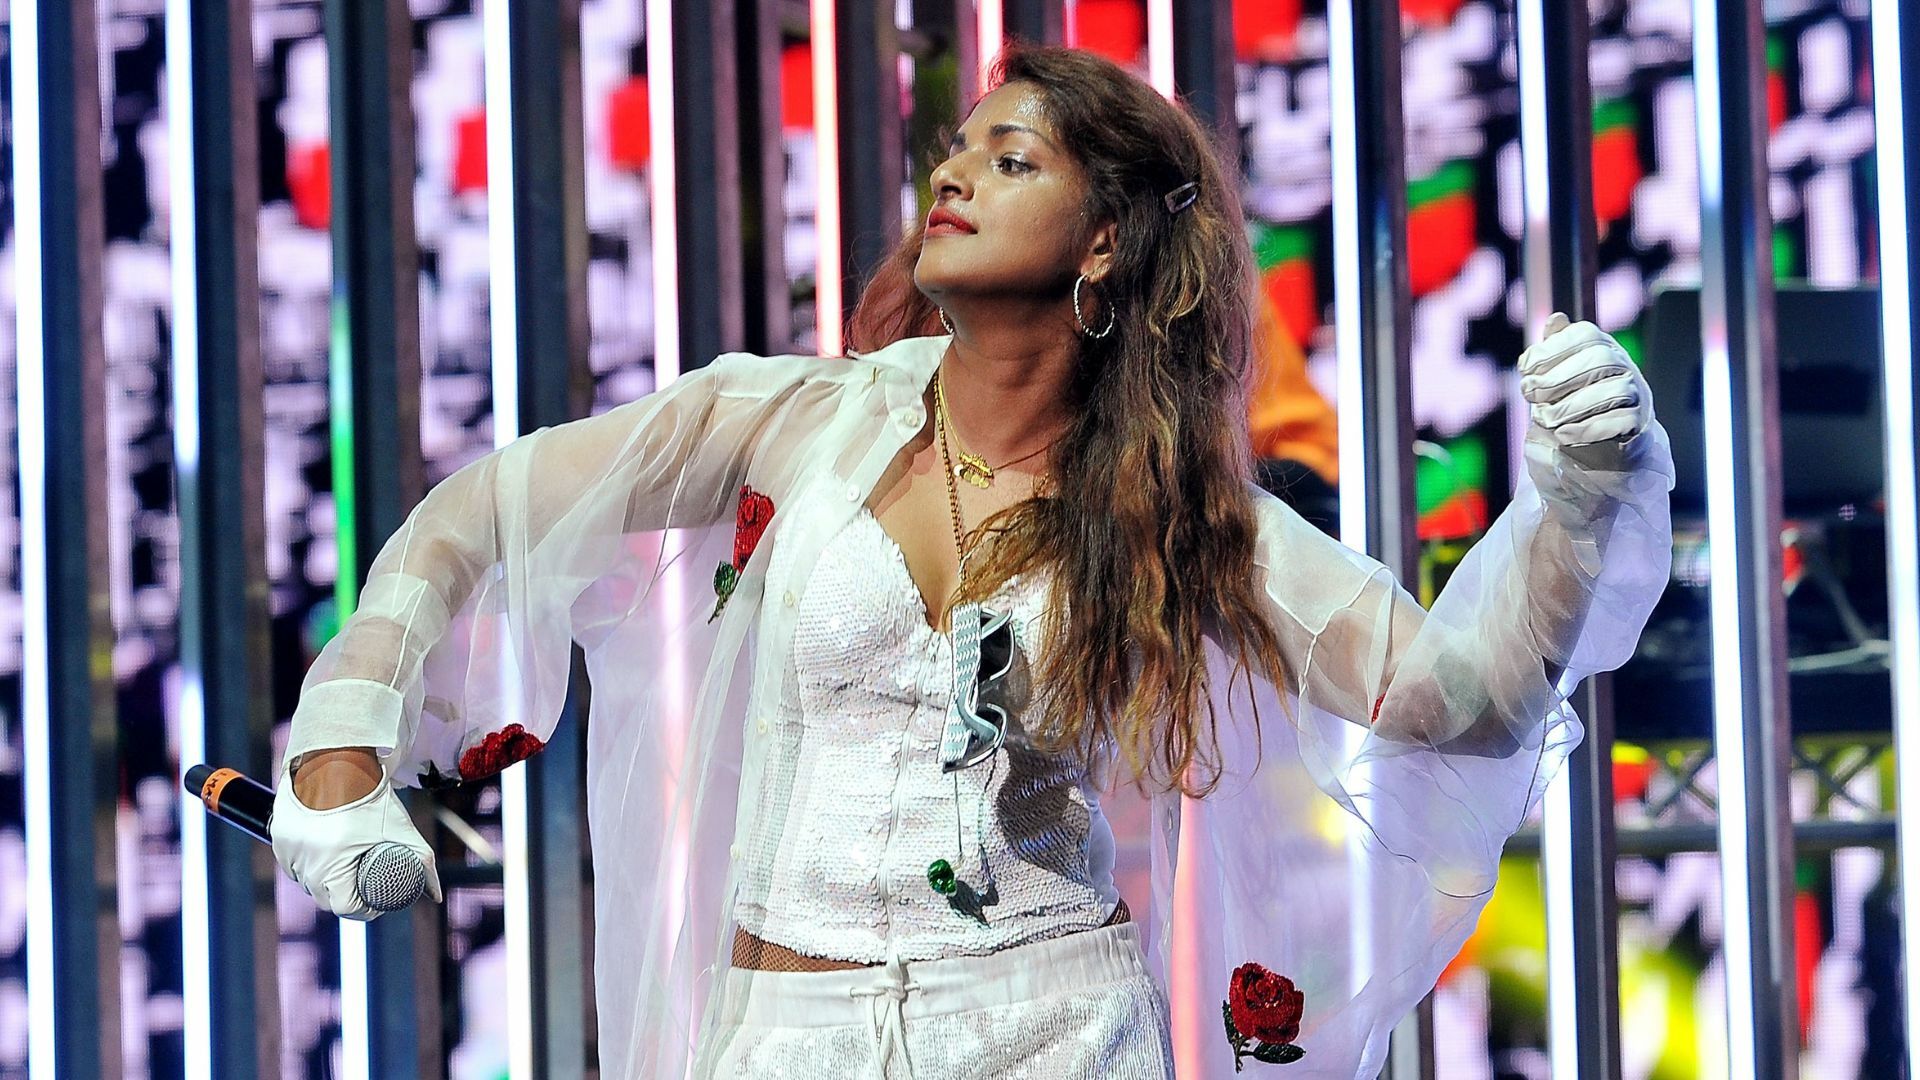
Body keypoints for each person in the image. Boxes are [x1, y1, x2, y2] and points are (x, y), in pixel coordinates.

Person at [271, 46, 1673, 1079]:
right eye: (958, 148)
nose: (953, 173)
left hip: (1055, 1030)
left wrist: (1581, 509)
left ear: (1108, 242)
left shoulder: (1180, 511)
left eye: (1015, 161)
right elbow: (480, 514)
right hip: (787, 1037)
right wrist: (341, 741)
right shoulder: (795, 421)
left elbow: (1449, 701)